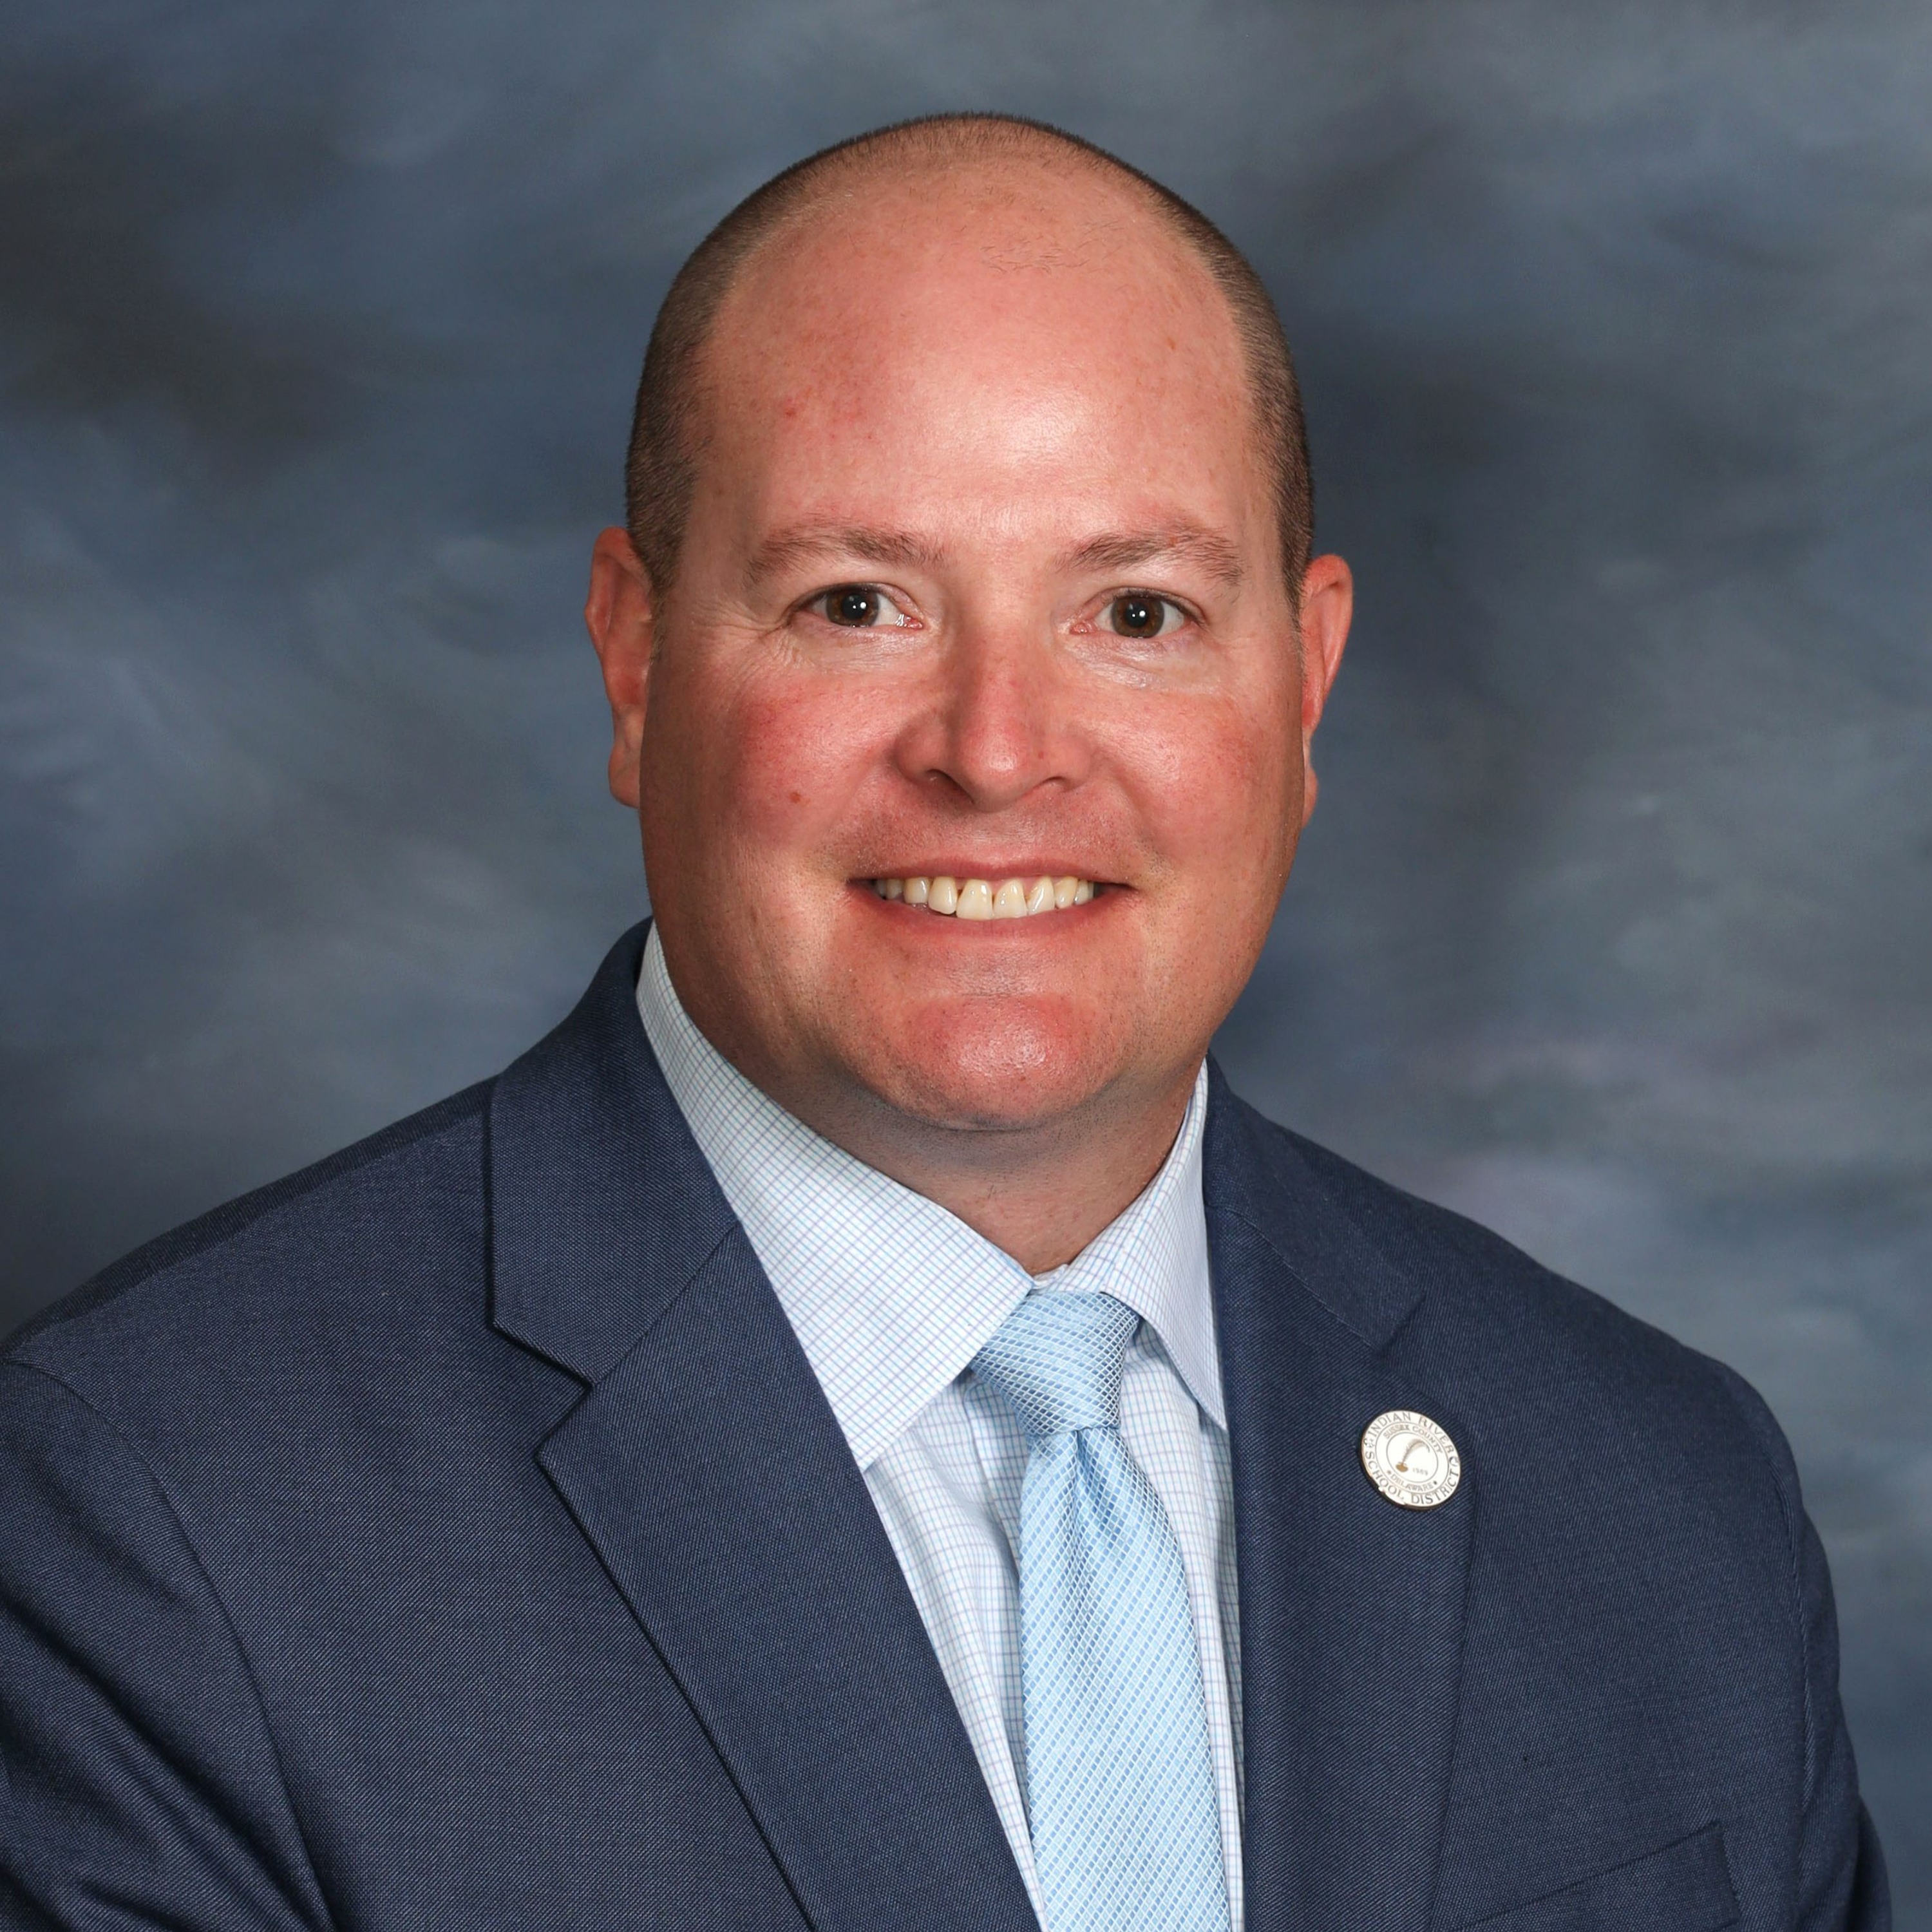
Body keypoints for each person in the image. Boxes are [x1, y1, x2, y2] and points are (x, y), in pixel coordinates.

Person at [0, 114, 1886, 1932]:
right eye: (857, 602)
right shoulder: (157, 1511)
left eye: (1136, 614)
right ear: (636, 661)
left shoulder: (1662, 1498)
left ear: (1304, 680)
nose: (996, 754)